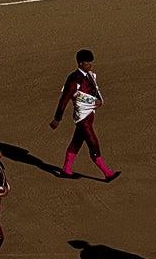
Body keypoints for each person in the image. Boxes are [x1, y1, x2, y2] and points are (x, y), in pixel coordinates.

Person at [49, 48, 115, 180]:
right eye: (87, 62)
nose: (90, 64)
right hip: (82, 117)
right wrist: (57, 118)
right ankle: (107, 173)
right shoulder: (74, 79)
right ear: (80, 63)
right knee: (92, 141)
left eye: (91, 62)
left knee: (76, 142)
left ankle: (66, 169)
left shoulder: (88, 74)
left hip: (88, 114)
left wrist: (98, 101)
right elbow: (65, 98)